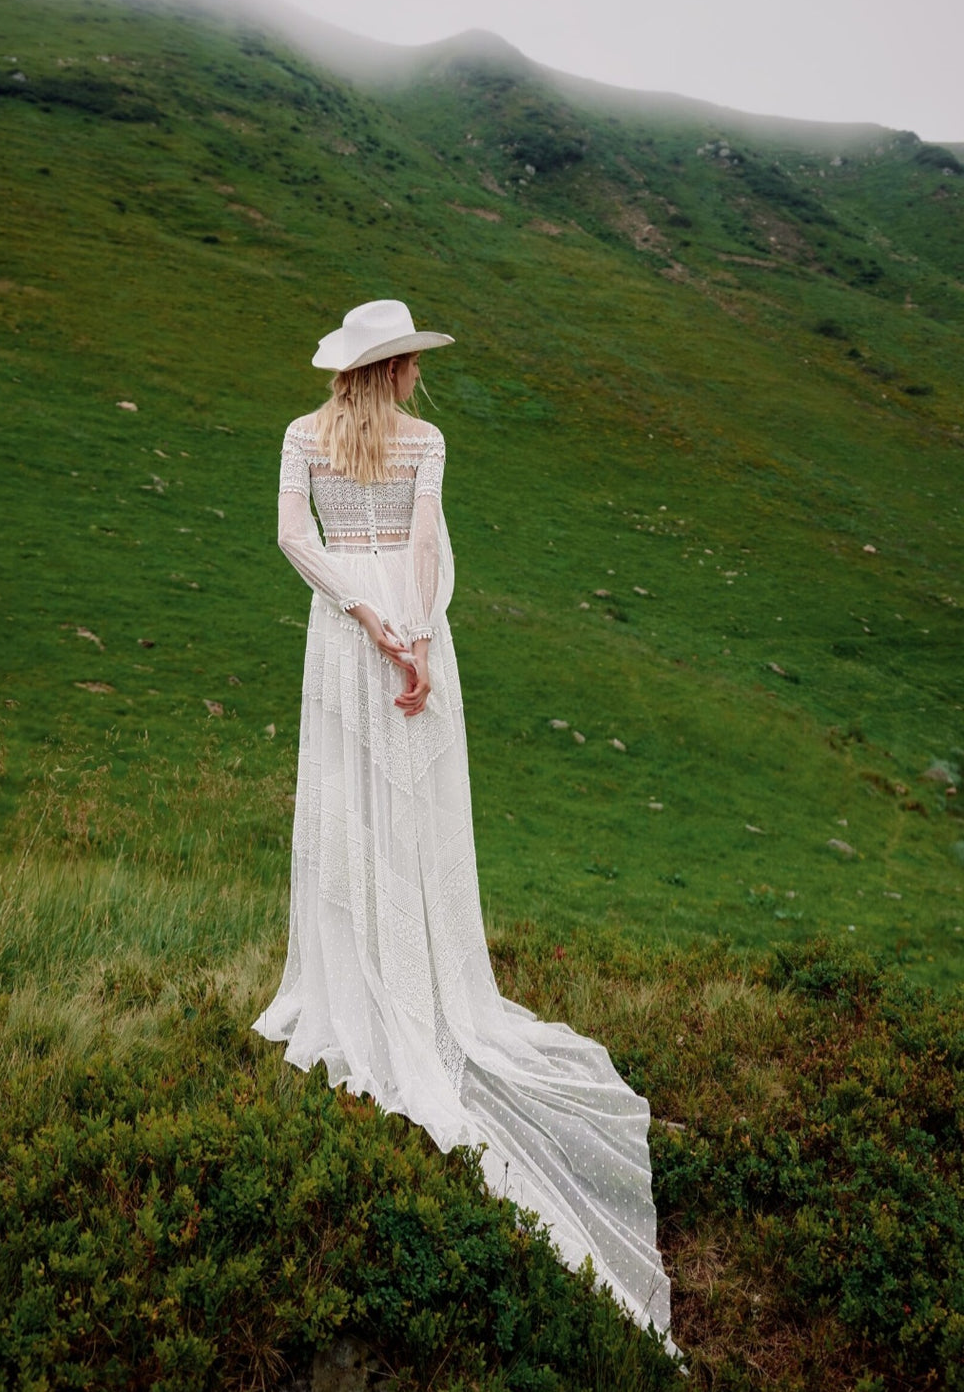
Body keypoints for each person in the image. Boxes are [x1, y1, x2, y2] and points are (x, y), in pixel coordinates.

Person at [252, 299, 676, 1352]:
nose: (412, 376)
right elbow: (428, 553)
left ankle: (365, 972)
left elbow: (298, 538)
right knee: (407, 806)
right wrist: (415, 639)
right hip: (401, 634)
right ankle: (415, 978)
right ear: (393, 367)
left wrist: (373, 621)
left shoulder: (306, 433)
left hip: (348, 633)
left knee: (355, 800)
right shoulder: (413, 441)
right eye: (407, 361)